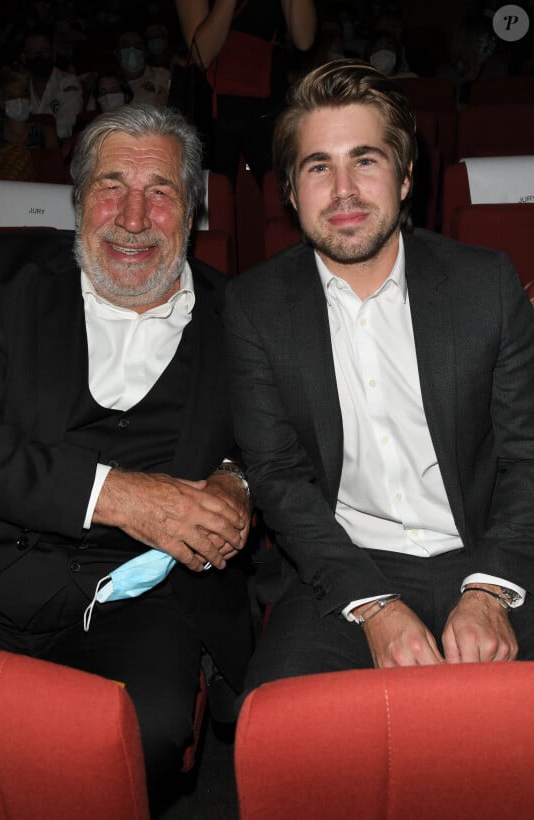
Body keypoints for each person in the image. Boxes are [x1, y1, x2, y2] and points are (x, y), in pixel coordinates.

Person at [0, 102, 254, 795]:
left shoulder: (243, 316)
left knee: (131, 734)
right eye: (110, 187)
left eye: (161, 192)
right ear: (78, 199)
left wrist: (239, 481)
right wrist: (115, 494)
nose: (132, 218)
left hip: (144, 600)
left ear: (194, 209)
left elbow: (285, 448)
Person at [224, 59, 534, 696]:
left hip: (485, 550)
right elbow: (279, 478)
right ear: (289, 189)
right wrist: (373, 603)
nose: (343, 190)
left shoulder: (486, 285)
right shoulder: (254, 306)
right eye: (318, 167)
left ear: (405, 177)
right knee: (284, 727)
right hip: (344, 564)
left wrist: (489, 591)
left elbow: (526, 457)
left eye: (365, 160)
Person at [175, 0, 318, 185]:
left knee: (280, 189)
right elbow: (202, 53)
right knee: (218, 195)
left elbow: (304, 39)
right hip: (214, 108)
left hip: (267, 99)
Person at [20, 30, 83, 140]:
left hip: (58, 148)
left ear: (52, 54)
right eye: (33, 52)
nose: (39, 57)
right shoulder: (20, 85)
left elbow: (68, 125)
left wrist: (32, 132)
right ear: (24, 57)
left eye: (43, 51)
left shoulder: (68, 81)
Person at [115, 26, 171, 107]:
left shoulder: (162, 75)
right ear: (116, 53)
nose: (132, 50)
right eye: (126, 46)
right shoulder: (107, 83)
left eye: (137, 47)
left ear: (145, 53)